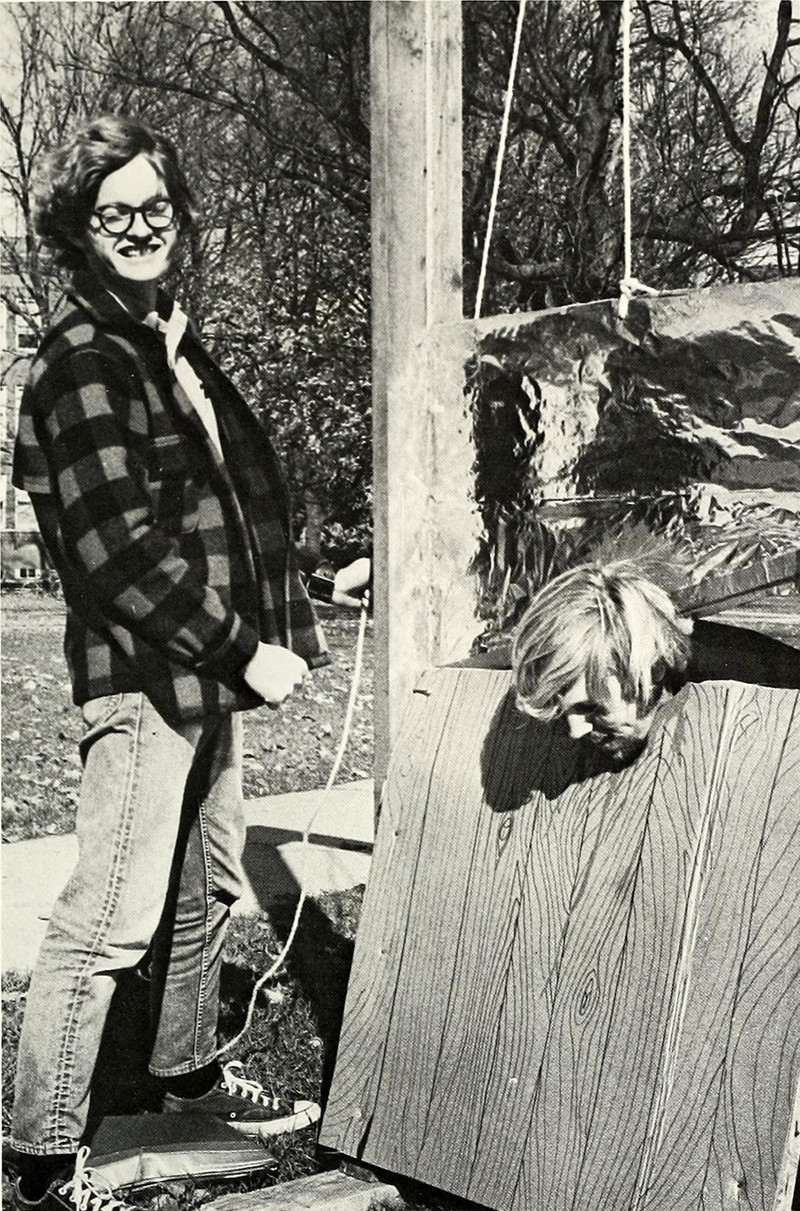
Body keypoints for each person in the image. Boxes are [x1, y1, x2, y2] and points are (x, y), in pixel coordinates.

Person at [7, 115, 365, 1211]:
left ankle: (183, 1084)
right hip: (145, 678)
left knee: (204, 887)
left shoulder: (162, 341)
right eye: (112, 211)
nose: (140, 227)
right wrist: (245, 648)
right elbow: (119, 554)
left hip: (202, 674)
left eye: (155, 205)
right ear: (77, 228)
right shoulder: (83, 360)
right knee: (108, 921)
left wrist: (311, 587)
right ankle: (43, 1161)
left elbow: (221, 511)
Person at [512, 558, 800, 764]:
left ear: (650, 669)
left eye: (590, 707)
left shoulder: (758, 679)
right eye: (562, 714)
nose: (576, 732)